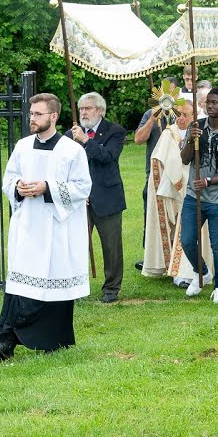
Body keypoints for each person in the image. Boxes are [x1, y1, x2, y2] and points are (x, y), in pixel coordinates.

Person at [0, 93, 92, 359]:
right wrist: (18, 188)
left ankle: (51, 339)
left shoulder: (72, 150)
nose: (31, 118)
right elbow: (8, 180)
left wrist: (48, 188)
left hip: (57, 228)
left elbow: (83, 187)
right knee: (21, 280)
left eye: (38, 114)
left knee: (52, 279)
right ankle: (5, 340)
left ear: (53, 117)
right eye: (31, 113)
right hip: (28, 225)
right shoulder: (22, 146)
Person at [179, 89, 218, 303]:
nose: (210, 106)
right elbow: (185, 159)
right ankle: (202, 273)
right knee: (187, 240)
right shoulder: (195, 127)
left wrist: (209, 181)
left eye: (215, 102)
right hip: (193, 195)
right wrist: (190, 140)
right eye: (208, 102)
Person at [68, 92, 127, 303]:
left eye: (88, 108)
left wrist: (86, 141)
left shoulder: (115, 131)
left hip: (107, 197)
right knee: (75, 244)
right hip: (78, 200)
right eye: (81, 108)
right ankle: (75, 287)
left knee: (111, 246)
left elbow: (108, 157)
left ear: (100, 111)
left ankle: (111, 288)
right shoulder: (70, 135)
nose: (83, 112)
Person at [141, 101, 192, 278]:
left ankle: (188, 268)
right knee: (172, 225)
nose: (182, 119)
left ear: (194, 115)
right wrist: (176, 180)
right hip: (171, 186)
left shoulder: (199, 132)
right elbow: (159, 160)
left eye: (186, 115)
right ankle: (171, 265)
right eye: (179, 115)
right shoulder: (168, 134)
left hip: (193, 186)